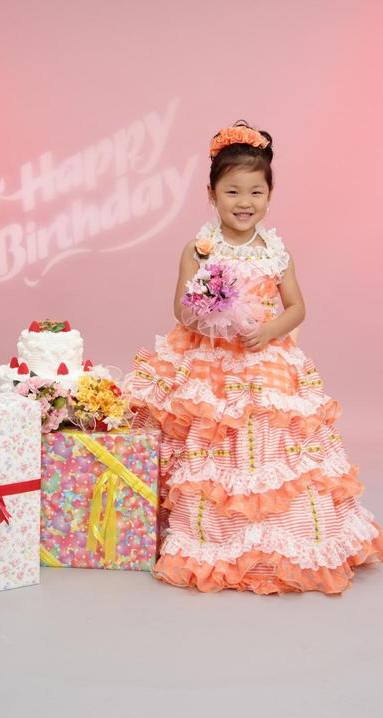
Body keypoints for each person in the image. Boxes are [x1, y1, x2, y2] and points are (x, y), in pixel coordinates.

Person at [125, 120, 383, 594]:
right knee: (206, 440)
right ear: (211, 194)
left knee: (267, 441)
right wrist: (211, 316)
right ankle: (207, 533)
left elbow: (297, 308)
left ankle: (272, 540)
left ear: (270, 195)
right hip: (208, 360)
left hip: (263, 357)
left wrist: (267, 331)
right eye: (232, 192)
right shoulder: (199, 250)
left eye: (255, 192)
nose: (244, 202)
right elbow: (181, 309)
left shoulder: (276, 252)